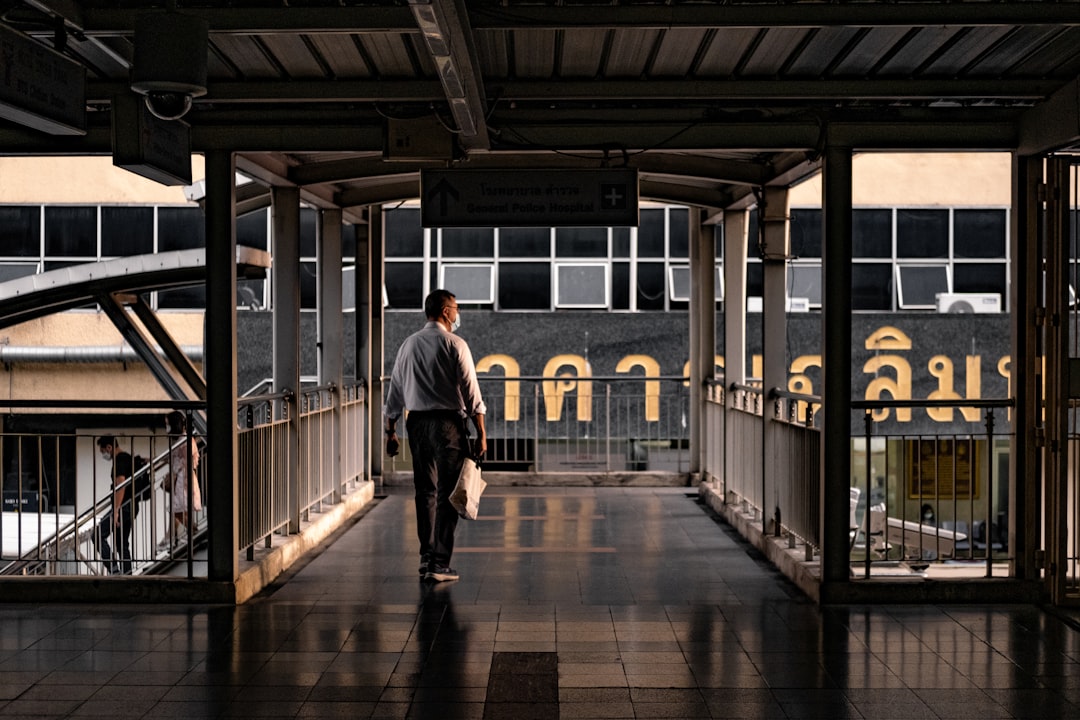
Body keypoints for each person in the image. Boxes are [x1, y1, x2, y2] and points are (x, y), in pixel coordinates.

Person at [384, 289, 487, 583]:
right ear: (444, 311)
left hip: (415, 424)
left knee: (425, 491)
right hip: (448, 425)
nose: (457, 314)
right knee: (448, 494)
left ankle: (426, 556)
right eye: (455, 308)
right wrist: (481, 433)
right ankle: (439, 563)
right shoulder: (455, 344)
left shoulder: (408, 345)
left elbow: (395, 391)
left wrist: (391, 432)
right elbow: (471, 393)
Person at [95, 436, 138, 574]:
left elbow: (121, 485)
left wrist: (116, 510)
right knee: (121, 543)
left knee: (97, 535)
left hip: (124, 506)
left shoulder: (119, 460)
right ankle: (127, 573)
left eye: (103, 451)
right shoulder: (127, 457)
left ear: (109, 447)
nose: (104, 455)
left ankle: (114, 569)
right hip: (131, 505)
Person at [162, 411, 201, 550]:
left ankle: (191, 531)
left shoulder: (185, 440)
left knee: (178, 509)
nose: (166, 427)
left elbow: (187, 461)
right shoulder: (182, 439)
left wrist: (176, 475)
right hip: (181, 478)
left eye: (167, 424)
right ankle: (175, 536)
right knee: (179, 509)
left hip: (183, 478)